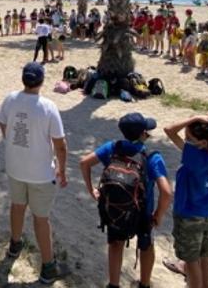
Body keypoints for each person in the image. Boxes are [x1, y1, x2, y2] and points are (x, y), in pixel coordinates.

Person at [80, 113, 171, 288]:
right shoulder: (152, 156)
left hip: (116, 210)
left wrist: (91, 190)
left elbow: (84, 163)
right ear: (144, 133)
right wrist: (158, 215)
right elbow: (166, 192)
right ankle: (144, 284)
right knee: (146, 247)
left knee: (115, 244)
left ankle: (113, 284)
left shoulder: (112, 148)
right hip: (143, 213)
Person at [0, 62, 68, 284]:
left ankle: (15, 245)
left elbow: (2, 122)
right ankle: (48, 266)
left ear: (23, 80)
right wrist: (62, 171)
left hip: (16, 168)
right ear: (42, 81)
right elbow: (60, 143)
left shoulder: (10, 99)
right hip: (41, 174)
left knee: (17, 206)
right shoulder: (48, 106)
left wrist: (12, 142)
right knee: (41, 218)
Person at [163, 116, 208, 288]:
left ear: (203, 143)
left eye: (189, 139)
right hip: (207, 214)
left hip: (189, 215)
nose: (185, 142)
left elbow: (169, 130)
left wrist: (195, 118)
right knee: (204, 255)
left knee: (191, 261)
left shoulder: (195, 157)